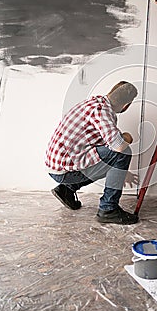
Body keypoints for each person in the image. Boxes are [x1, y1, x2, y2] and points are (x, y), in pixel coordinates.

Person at [45, 81, 139, 225]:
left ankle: (66, 190)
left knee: (115, 157)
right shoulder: (102, 113)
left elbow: (106, 145)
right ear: (127, 105)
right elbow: (118, 146)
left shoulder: (95, 103)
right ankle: (108, 209)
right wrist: (127, 137)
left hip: (56, 167)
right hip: (65, 171)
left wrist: (122, 172)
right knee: (124, 152)